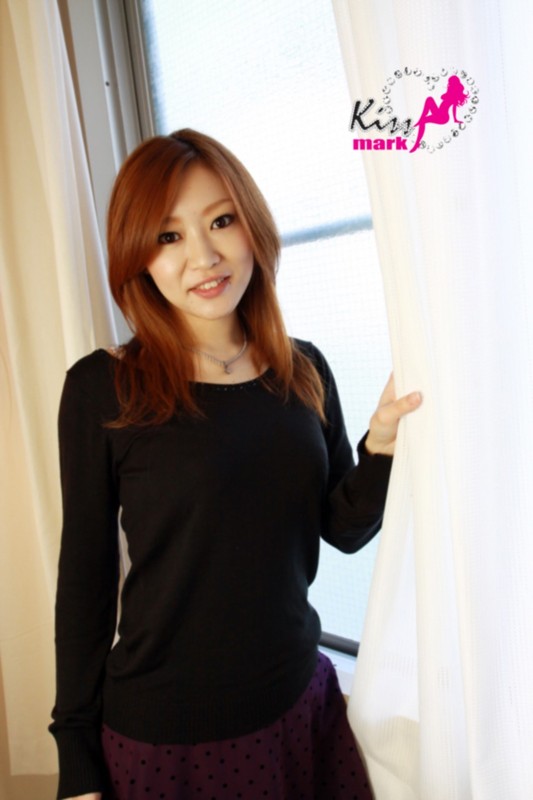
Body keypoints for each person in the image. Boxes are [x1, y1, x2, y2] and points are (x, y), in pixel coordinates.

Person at [49, 129, 422, 800]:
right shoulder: (103, 387)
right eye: (168, 236)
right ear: (138, 257)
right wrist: (75, 751)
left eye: (221, 221)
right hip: (169, 736)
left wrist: (383, 445)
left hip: (299, 701)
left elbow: (342, 529)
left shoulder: (301, 368)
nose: (204, 256)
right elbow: (85, 579)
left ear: (252, 226)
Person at [409, 74, 469, 152]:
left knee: (428, 103)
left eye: (449, 83)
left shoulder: (454, 95)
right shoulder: (450, 92)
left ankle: (417, 141)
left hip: (442, 117)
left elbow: (454, 108)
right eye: (448, 82)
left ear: (453, 84)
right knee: (428, 102)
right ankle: (418, 131)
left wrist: (455, 119)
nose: (448, 84)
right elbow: (443, 97)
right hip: (438, 113)